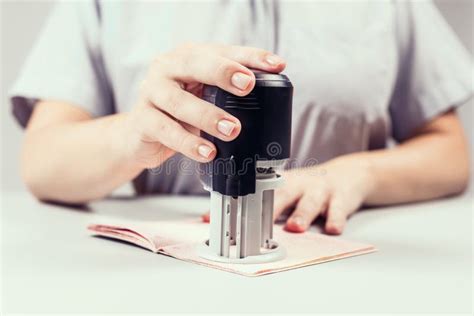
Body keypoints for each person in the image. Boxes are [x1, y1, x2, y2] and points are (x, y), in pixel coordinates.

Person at [10, 1, 472, 235]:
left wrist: (359, 173)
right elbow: (42, 161)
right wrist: (133, 134)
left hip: (333, 257)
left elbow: (449, 152)